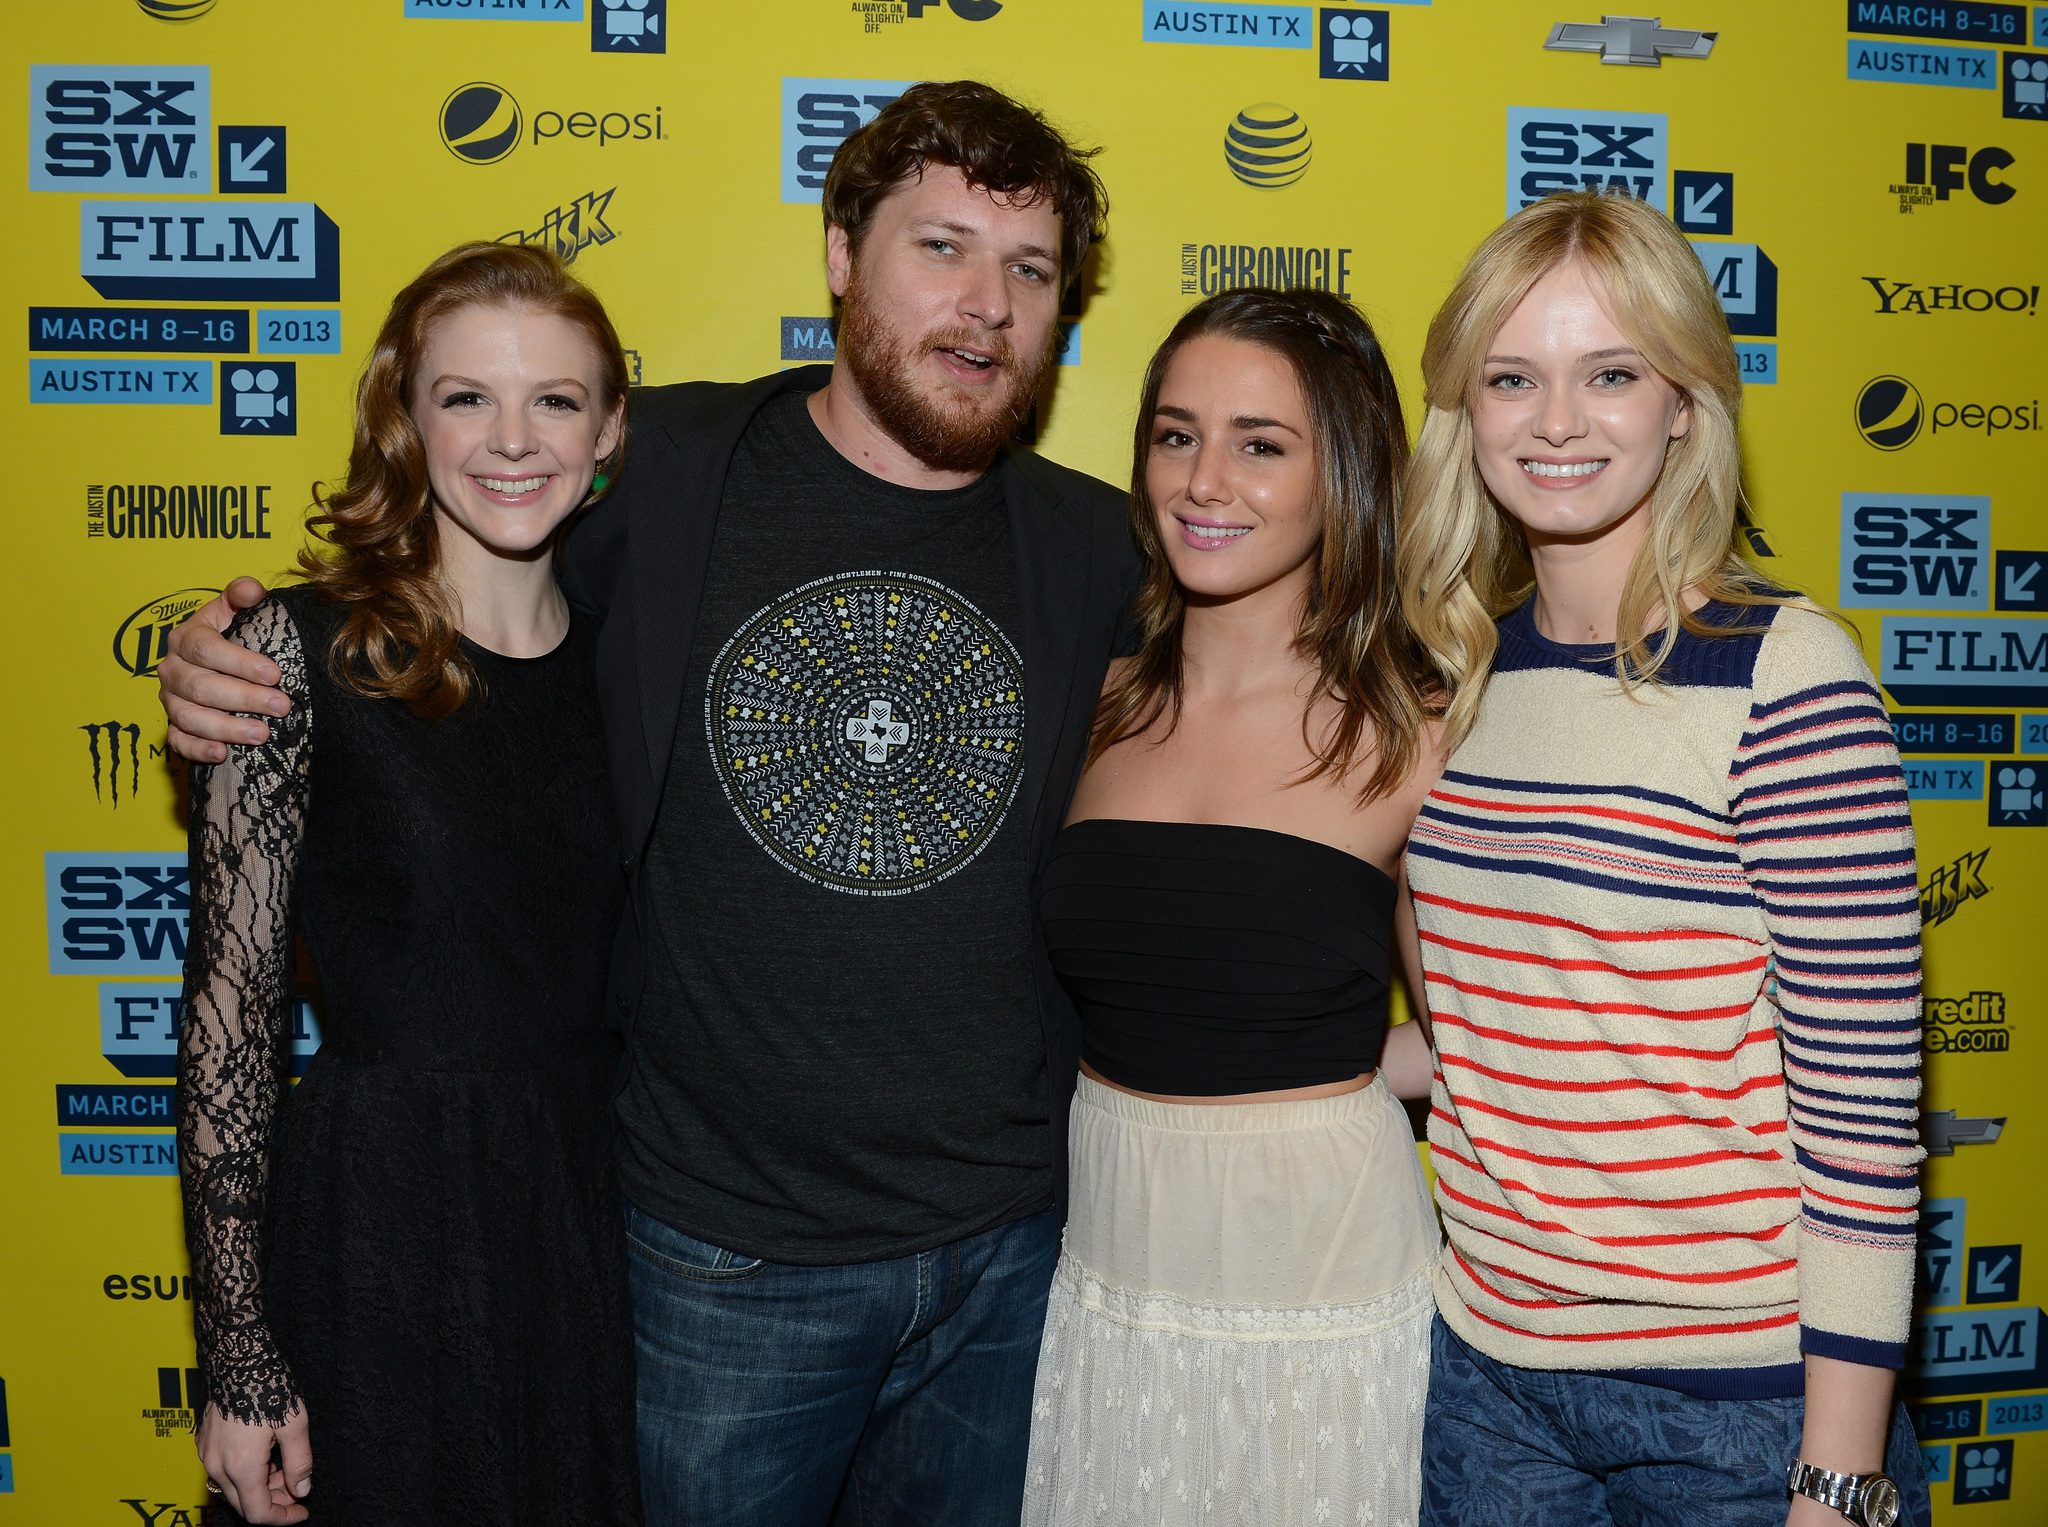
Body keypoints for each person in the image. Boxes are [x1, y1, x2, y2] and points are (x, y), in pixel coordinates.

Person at [159, 82, 1133, 1525]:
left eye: (1030, 269)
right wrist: (224, 667)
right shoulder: (651, 474)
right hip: (714, 1261)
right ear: (840, 253)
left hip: (1005, 1254)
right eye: (940, 247)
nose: (984, 302)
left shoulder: (1103, 542)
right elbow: (432, 608)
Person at [1394, 190, 1928, 1527]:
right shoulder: (1461, 674)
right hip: (1491, 1371)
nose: (1558, 419)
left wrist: (1842, 1479)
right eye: (1514, 376)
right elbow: (1494, 1029)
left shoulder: (1783, 671)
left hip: (1741, 1398)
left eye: (1611, 372)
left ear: (1685, 400)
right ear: (1469, 407)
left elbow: (1866, 1116)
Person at [177, 241, 639, 1526]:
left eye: (554, 399)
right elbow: (230, 1015)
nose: (512, 439)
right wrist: (241, 1354)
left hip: (590, 1223)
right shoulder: (297, 652)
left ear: (608, 428)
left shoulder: (632, 673)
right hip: (380, 1218)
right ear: (403, 418)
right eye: (464, 397)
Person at [1022, 287, 1445, 1526]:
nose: (1204, 481)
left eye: (1262, 445)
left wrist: (1323, 1073)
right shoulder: (1081, 703)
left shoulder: (1417, 731)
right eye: (1174, 434)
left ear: (1343, 476)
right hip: (1107, 1261)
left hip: (1323, 1271)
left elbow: (1491, 1030)